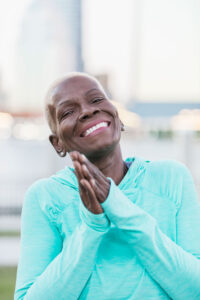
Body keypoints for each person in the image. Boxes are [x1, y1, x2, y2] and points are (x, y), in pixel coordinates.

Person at [14, 72, 200, 300]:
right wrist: (92, 226)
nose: (88, 111)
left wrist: (119, 207)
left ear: (118, 117)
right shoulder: (45, 196)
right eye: (68, 112)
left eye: (96, 100)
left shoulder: (172, 178)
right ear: (57, 143)